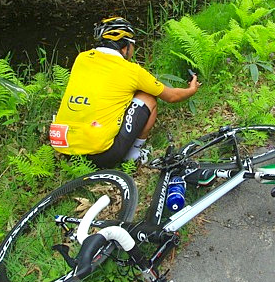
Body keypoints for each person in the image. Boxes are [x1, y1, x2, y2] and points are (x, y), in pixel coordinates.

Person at [50, 16, 200, 168]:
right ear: (125, 47)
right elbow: (172, 96)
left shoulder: (81, 59)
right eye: (133, 45)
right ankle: (134, 156)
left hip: (65, 149)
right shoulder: (131, 71)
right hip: (102, 155)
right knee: (147, 97)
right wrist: (192, 89)